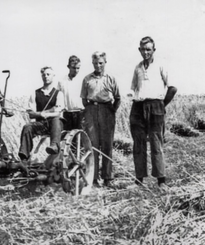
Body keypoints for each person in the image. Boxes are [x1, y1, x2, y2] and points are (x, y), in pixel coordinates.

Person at [129, 36, 177, 190]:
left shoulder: (161, 65)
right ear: (139, 50)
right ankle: (139, 181)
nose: (145, 52)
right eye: (143, 49)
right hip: (138, 107)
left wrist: (162, 105)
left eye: (148, 49)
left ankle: (161, 181)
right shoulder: (137, 68)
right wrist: (134, 99)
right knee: (138, 144)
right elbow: (133, 88)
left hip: (156, 106)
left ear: (154, 50)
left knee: (156, 143)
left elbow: (172, 88)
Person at [81, 52, 120, 188]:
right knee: (93, 145)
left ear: (105, 62)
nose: (98, 65)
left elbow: (118, 98)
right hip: (91, 111)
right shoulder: (87, 79)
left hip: (107, 111)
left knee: (107, 145)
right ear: (92, 63)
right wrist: (91, 110)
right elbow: (84, 99)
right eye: (95, 63)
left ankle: (107, 177)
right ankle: (94, 177)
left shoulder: (111, 78)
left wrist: (111, 111)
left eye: (101, 63)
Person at [18, 66, 64, 162]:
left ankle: (54, 145)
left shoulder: (58, 93)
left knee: (56, 119)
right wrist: (40, 114)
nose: (46, 76)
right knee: (27, 127)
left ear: (53, 76)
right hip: (41, 124)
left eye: (48, 74)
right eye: (44, 75)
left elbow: (58, 112)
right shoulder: (35, 93)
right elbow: (31, 113)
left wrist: (46, 114)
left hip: (55, 124)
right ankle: (24, 156)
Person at [56, 55, 85, 131]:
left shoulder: (83, 80)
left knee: (79, 138)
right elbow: (58, 98)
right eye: (73, 68)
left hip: (80, 113)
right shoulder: (62, 81)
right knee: (67, 137)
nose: (75, 70)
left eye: (78, 68)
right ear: (68, 66)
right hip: (67, 114)